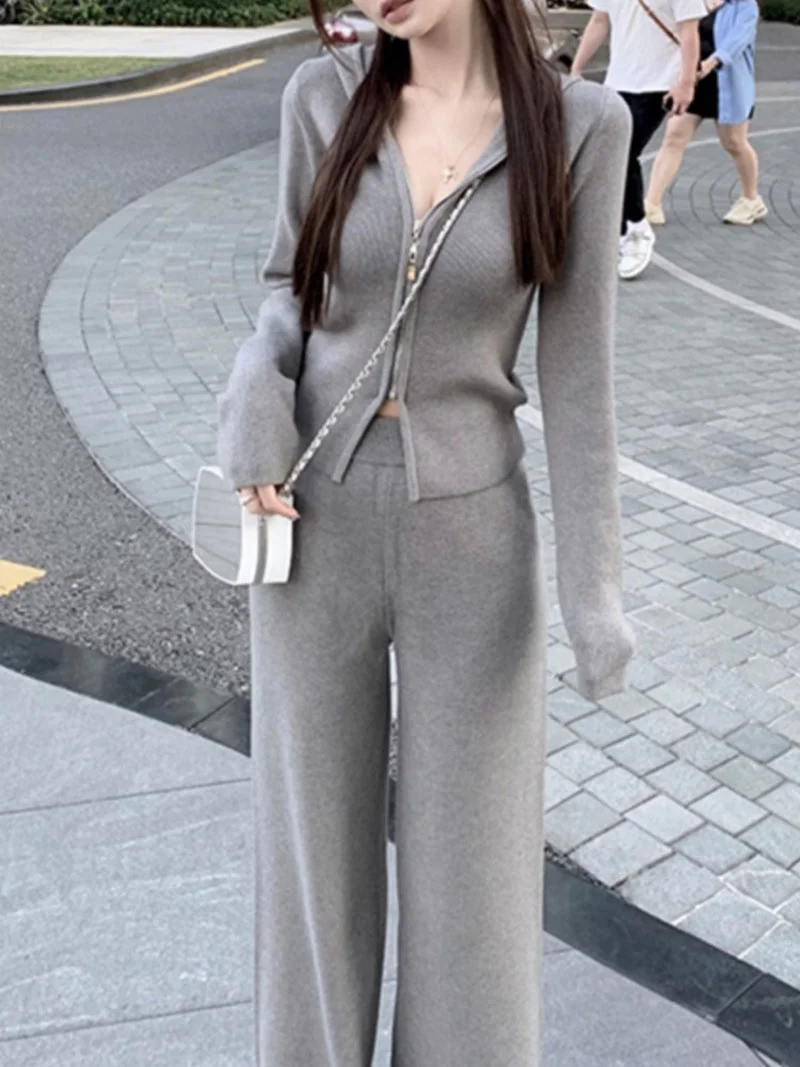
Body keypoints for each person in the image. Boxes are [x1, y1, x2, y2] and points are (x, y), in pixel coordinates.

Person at [216, 0, 635, 1063]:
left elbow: (578, 373)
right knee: (313, 870)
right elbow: (288, 284)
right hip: (312, 529)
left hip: (475, 546)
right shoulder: (323, 97)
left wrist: (594, 589)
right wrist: (256, 399)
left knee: (475, 891)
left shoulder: (581, 128)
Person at [572, 0, 706, 279]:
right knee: (608, 157)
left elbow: (689, 32)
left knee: (624, 152)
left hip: (660, 84)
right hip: (618, 82)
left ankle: (636, 228)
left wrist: (685, 84)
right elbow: (599, 21)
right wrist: (576, 69)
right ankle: (620, 230)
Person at [646, 0, 765, 226]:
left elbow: (737, 41)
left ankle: (751, 200)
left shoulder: (745, 6)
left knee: (734, 142)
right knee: (673, 137)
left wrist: (710, 63)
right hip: (692, 82)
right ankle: (652, 203)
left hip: (728, 83)